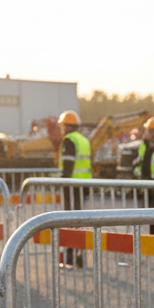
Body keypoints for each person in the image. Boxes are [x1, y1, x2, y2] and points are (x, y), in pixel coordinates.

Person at [58, 110, 92, 267]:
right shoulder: (83, 140)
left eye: (62, 126)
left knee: (70, 222)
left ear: (66, 126)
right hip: (83, 185)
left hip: (71, 185)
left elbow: (68, 165)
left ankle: (70, 257)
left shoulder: (70, 140)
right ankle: (79, 257)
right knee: (78, 222)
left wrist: (61, 182)